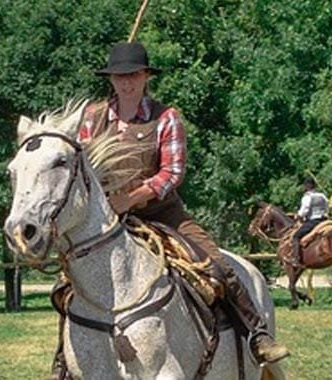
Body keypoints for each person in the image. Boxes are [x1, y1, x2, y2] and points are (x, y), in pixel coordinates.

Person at [51, 42, 288, 372]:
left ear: (146, 76)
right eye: (119, 75)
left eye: (133, 74)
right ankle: (65, 360)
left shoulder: (166, 118)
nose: (126, 82)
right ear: (111, 78)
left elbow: (172, 172)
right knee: (68, 286)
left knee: (216, 267)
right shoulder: (93, 117)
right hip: (107, 219)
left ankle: (257, 336)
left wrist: (130, 199)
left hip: (163, 213)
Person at [290, 177, 329, 265]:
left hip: (313, 222)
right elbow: (326, 208)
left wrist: (298, 216)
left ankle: (295, 259)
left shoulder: (307, 197)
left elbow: (304, 211)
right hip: (324, 220)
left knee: (296, 236)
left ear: (307, 186)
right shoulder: (322, 195)